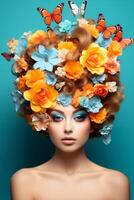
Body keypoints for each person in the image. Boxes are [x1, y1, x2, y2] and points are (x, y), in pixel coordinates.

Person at [2, 1, 133, 199]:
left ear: (96, 118)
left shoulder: (115, 183)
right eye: (57, 117)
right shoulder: (25, 181)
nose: (68, 128)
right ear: (42, 119)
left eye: (79, 117)